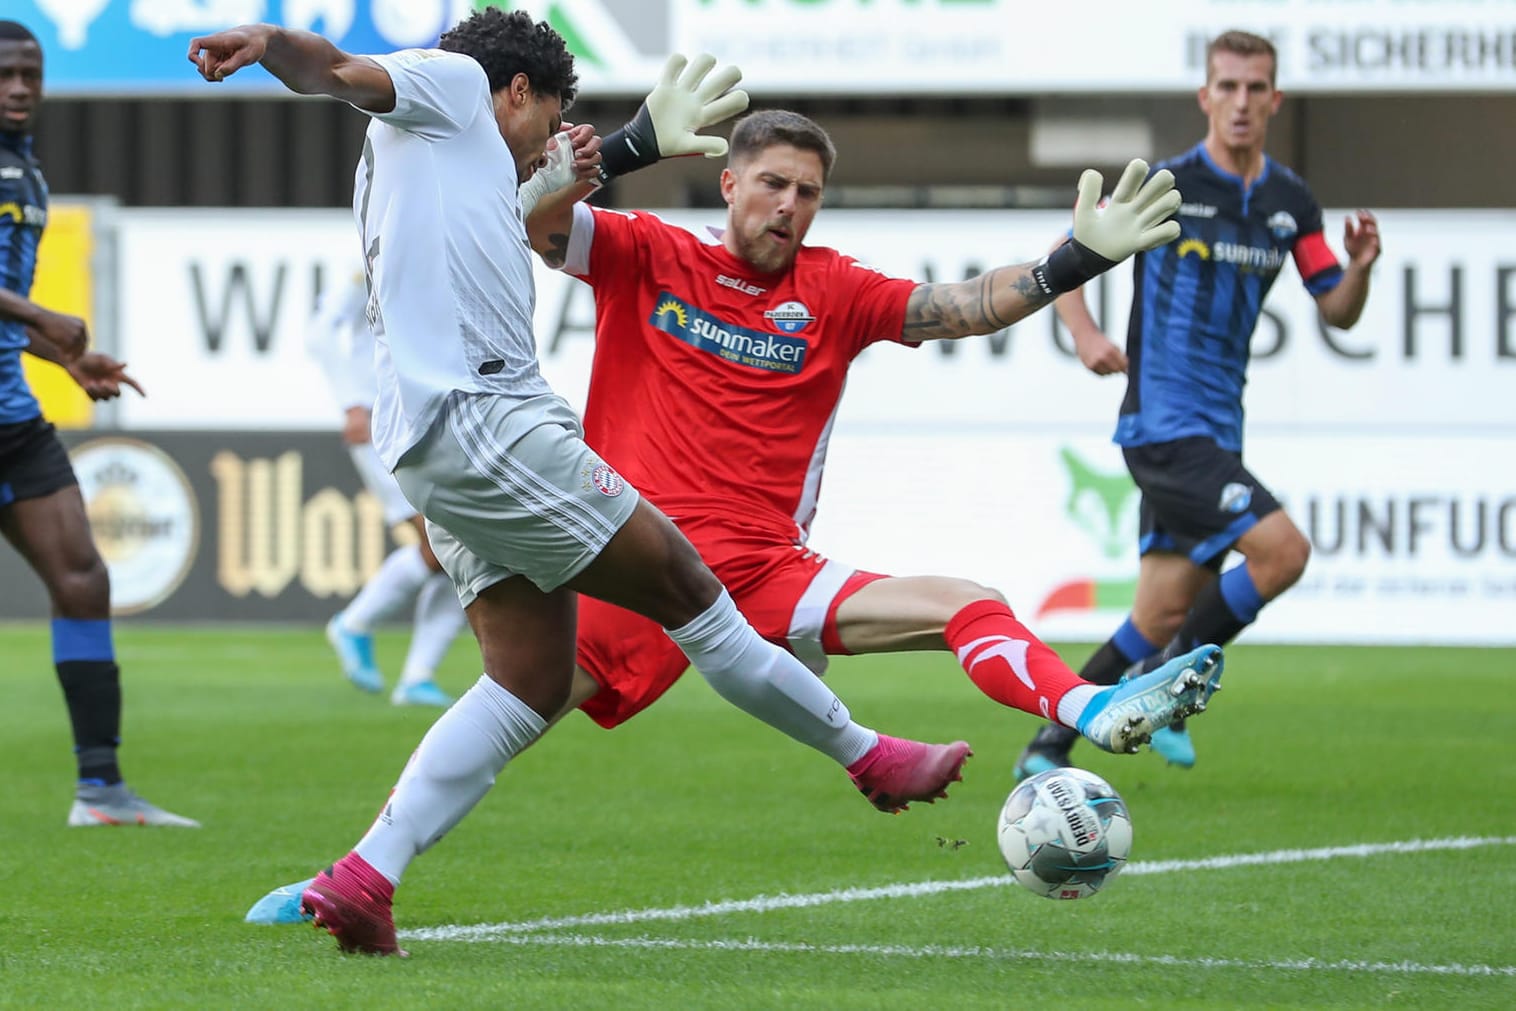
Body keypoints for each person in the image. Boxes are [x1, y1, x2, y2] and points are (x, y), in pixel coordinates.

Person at [246, 103, 1229, 929]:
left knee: (970, 601)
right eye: (771, 184)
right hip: (630, 555)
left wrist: (1068, 263)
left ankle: (1092, 707)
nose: (788, 206)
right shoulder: (645, 254)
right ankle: (360, 876)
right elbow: (538, 226)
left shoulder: (835, 291)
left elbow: (961, 304)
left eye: (806, 191)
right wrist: (631, 141)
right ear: (728, 185)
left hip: (767, 568)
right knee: (516, 700)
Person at [190, 11, 979, 957]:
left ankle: (362, 879)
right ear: (517, 92)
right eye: (548, 114)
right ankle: (872, 757)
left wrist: (629, 142)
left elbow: (530, 194)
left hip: (429, 445)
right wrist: (267, 43)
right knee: (693, 589)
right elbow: (336, 67)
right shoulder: (449, 90)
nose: (546, 139)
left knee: (528, 679)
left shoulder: (433, 161)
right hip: (492, 421)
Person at [1013, 29, 1381, 780]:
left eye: (1255, 89)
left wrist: (1363, 268)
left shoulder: (1289, 201)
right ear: (1205, 96)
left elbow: (1335, 307)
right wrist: (1084, 336)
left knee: (1156, 614)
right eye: (1228, 86)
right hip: (1162, 428)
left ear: (1274, 100)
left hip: (1218, 434)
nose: (1241, 102)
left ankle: (1050, 740)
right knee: (1283, 552)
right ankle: (1171, 682)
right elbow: (1066, 256)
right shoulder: (1167, 185)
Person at [0, 19, 198, 828]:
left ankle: (101, 789)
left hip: (13, 414)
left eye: (30, 74)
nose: (18, 88)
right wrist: (45, 316)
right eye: (6, 75)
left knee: (83, 576)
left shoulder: (28, 171)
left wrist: (63, 359)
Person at [306, 268, 466, 707]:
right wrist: (351, 403)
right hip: (382, 419)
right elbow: (320, 332)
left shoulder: (443, 256)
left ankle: (417, 678)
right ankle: (354, 624)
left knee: (463, 550)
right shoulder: (372, 260)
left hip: (429, 420)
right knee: (444, 546)